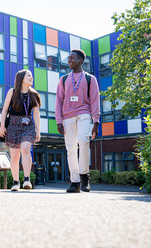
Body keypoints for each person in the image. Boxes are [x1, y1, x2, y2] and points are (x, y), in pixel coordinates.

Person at [55, 49, 100, 193]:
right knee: (71, 149)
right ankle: (75, 181)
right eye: (68, 58)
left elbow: (95, 101)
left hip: (84, 114)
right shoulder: (63, 80)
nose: (69, 61)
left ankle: (84, 176)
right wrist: (58, 121)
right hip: (67, 117)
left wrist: (96, 122)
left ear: (80, 60)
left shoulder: (90, 79)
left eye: (72, 58)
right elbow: (58, 101)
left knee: (84, 141)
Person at [0, 69, 41, 191]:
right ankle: (15, 182)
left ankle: (27, 179)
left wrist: (38, 130)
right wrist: (2, 126)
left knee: (25, 148)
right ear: (21, 78)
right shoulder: (12, 92)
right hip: (13, 125)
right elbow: (5, 109)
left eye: (31, 76)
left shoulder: (34, 94)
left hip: (28, 125)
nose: (31, 78)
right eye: (29, 76)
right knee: (15, 155)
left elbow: (36, 114)